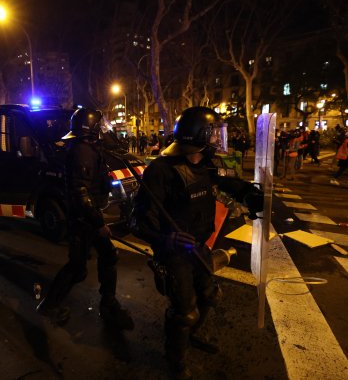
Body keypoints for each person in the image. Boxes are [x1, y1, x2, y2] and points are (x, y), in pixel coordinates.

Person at [131, 106, 264, 380]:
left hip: (199, 246)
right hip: (174, 253)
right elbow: (138, 222)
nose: (217, 139)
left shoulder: (204, 163)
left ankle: (191, 338)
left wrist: (249, 194)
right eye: (213, 133)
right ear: (197, 135)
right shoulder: (160, 171)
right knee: (184, 312)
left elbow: (224, 183)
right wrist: (166, 238)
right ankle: (175, 360)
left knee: (209, 296)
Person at [37, 108, 134, 330]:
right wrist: (98, 223)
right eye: (100, 125)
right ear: (91, 128)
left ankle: (107, 304)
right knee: (81, 266)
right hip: (84, 220)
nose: (103, 129)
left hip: (85, 217)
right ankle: (51, 305)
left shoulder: (86, 148)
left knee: (101, 258)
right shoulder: (83, 151)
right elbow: (81, 192)